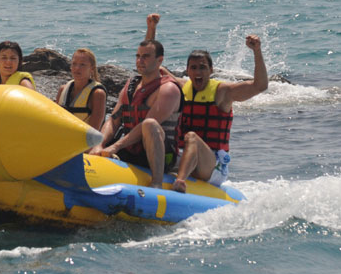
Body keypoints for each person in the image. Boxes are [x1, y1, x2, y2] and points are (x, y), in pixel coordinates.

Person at [171, 36, 269, 192]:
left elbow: (260, 86)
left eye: (202, 67)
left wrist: (256, 51)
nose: (198, 72)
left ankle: (180, 181)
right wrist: (152, 29)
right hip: (184, 156)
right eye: (193, 67)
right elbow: (154, 69)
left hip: (213, 165)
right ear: (187, 70)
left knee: (192, 138)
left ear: (211, 70)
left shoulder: (223, 93)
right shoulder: (182, 87)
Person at [88, 39, 183, 189]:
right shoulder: (131, 86)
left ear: (160, 60)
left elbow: (146, 125)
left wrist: (115, 147)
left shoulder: (169, 90)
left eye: (145, 56)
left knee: (149, 124)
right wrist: (100, 144)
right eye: (138, 56)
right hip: (131, 149)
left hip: (160, 155)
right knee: (91, 144)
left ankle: (157, 183)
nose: (140, 60)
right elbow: (113, 121)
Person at [55, 48, 107, 131]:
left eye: (82, 64)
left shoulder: (98, 94)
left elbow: (93, 131)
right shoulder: (62, 89)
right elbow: (54, 120)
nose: (77, 68)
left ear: (92, 68)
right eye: (74, 64)